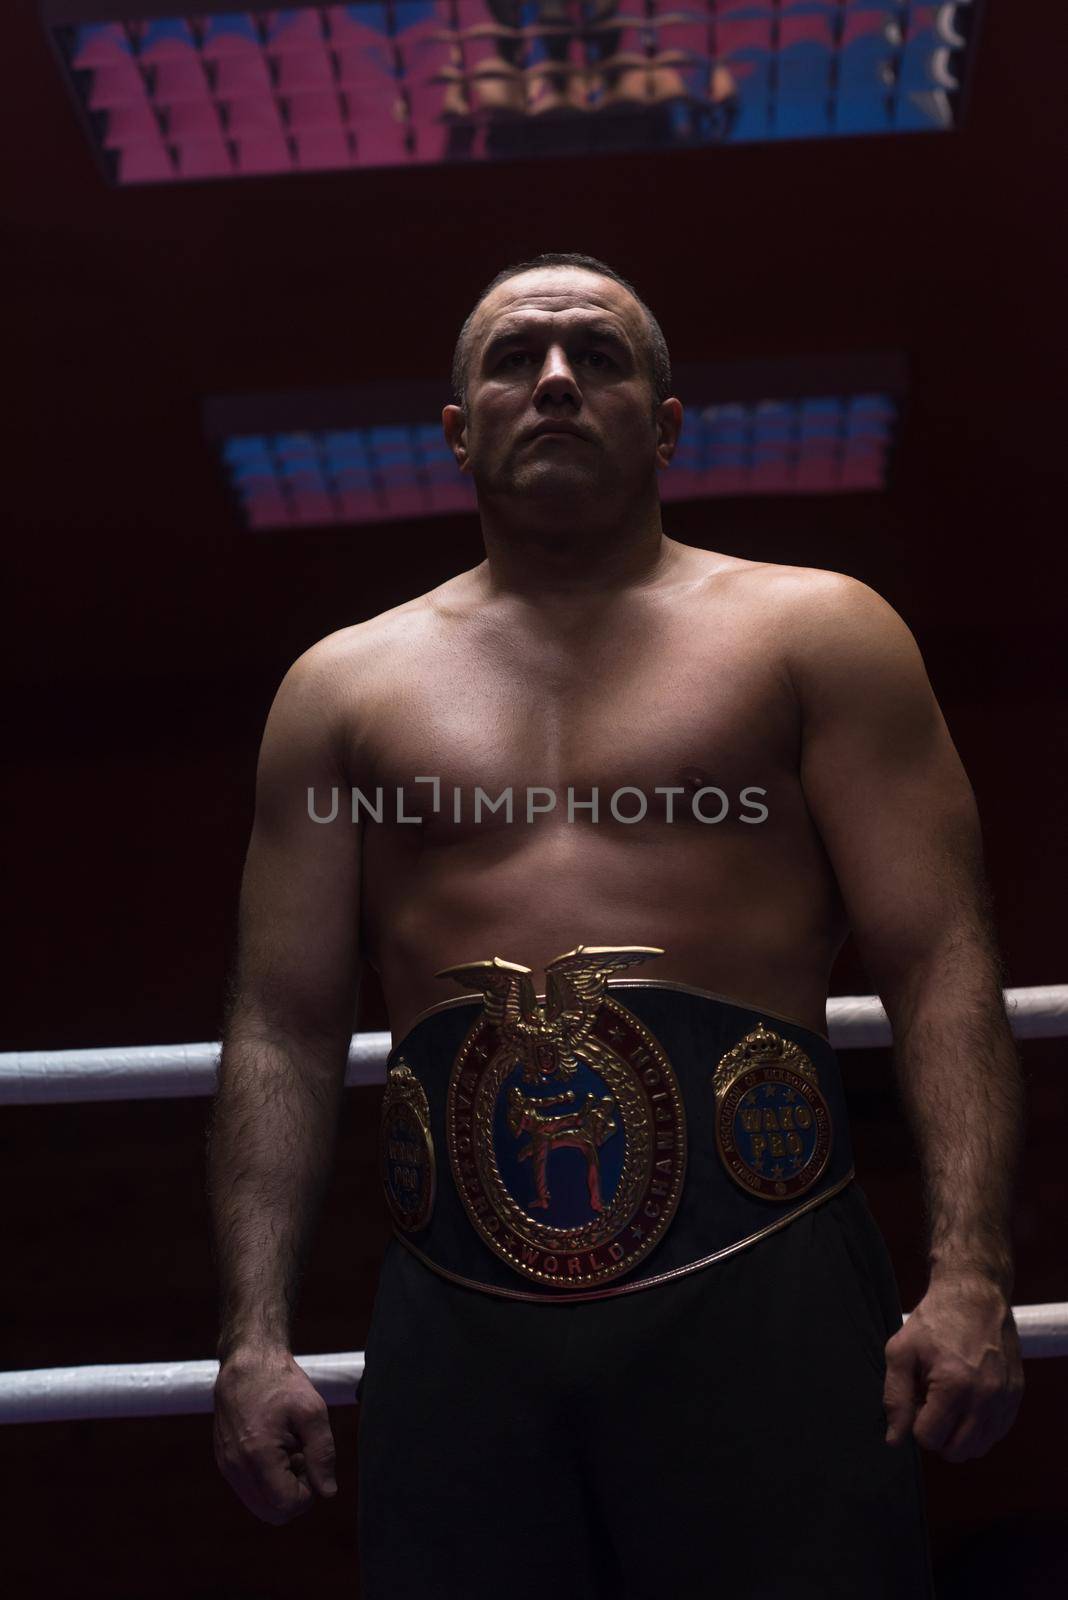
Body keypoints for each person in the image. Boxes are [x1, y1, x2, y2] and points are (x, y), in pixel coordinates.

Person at [208, 251, 1025, 1597]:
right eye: (514, 360)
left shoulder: (814, 633)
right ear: (461, 426)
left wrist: (970, 1274)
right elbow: (283, 1022)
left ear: (667, 417)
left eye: (598, 356)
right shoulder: (340, 689)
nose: (555, 383)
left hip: (767, 1284)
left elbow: (940, 955)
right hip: (456, 1315)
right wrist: (252, 1333)